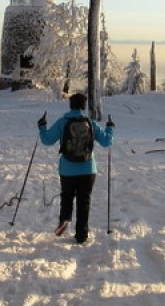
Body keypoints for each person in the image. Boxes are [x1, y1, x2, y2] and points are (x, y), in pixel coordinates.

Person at [38, 93, 114, 244]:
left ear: (70, 105)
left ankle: (65, 219)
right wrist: (110, 128)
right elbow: (106, 142)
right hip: (88, 169)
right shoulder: (90, 122)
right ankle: (81, 234)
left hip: (67, 168)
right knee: (84, 200)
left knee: (67, 197)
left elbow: (47, 140)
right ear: (84, 106)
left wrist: (42, 127)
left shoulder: (63, 122)